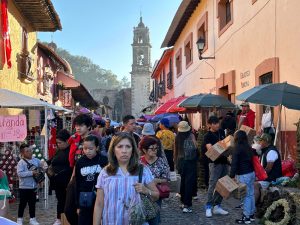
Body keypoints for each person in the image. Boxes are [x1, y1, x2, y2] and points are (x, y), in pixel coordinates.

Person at [93, 133, 159, 225]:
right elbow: (99, 204)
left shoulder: (142, 170)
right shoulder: (105, 172)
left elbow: (156, 195)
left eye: (128, 146)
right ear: (113, 150)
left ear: (133, 150)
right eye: (120, 146)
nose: (124, 151)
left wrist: (146, 190)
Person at [75, 135, 107, 225]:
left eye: (90, 148)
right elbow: (77, 183)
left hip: (100, 197)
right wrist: (77, 205)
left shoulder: (104, 160)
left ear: (97, 148)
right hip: (84, 199)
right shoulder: (80, 162)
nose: (87, 151)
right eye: (85, 148)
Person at [201, 116, 229, 218]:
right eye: (214, 123)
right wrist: (221, 148)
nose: (217, 125)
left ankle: (217, 206)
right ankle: (208, 206)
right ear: (209, 125)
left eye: (217, 123)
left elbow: (226, 144)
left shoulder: (221, 132)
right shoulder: (207, 136)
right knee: (212, 184)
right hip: (214, 163)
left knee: (223, 184)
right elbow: (211, 149)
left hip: (224, 162)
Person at [139, 136, 170, 224]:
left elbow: (167, 178)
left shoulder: (161, 161)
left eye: (156, 148)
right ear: (144, 150)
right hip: (141, 195)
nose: (155, 150)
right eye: (152, 148)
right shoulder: (139, 162)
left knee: (155, 218)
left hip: (156, 194)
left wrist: (156, 181)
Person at [230, 130, 255, 224]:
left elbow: (234, 164)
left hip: (243, 174)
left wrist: (231, 176)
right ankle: (251, 215)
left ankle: (246, 217)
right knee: (251, 194)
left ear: (237, 138)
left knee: (246, 196)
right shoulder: (248, 147)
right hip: (251, 173)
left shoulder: (237, 148)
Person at [174, 121, 198, 213]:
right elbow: (196, 148)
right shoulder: (191, 136)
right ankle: (187, 205)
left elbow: (175, 151)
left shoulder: (177, 137)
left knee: (182, 182)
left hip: (180, 162)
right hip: (190, 162)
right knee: (189, 183)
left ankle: (183, 202)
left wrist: (176, 162)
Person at [17, 144, 44, 225]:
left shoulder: (35, 160)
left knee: (32, 203)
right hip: (24, 187)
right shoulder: (21, 163)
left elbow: (42, 164)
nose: (30, 152)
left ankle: (32, 219)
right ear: (22, 153)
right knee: (22, 204)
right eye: (27, 151)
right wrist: (31, 173)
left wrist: (43, 165)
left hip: (33, 187)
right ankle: (19, 219)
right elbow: (20, 174)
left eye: (30, 150)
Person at [50, 129, 72, 225]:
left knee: (67, 201)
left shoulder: (71, 150)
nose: (58, 144)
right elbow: (52, 160)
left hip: (67, 181)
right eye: (57, 143)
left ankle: (66, 219)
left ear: (67, 141)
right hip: (57, 181)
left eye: (60, 142)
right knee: (60, 200)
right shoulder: (59, 150)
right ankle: (59, 218)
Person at [254, 134, 282, 202]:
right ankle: (249, 204)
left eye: (261, 141)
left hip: (271, 178)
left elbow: (269, 168)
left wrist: (259, 177)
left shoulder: (271, 151)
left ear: (266, 142)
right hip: (267, 177)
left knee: (255, 185)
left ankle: (252, 206)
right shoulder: (265, 151)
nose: (259, 143)